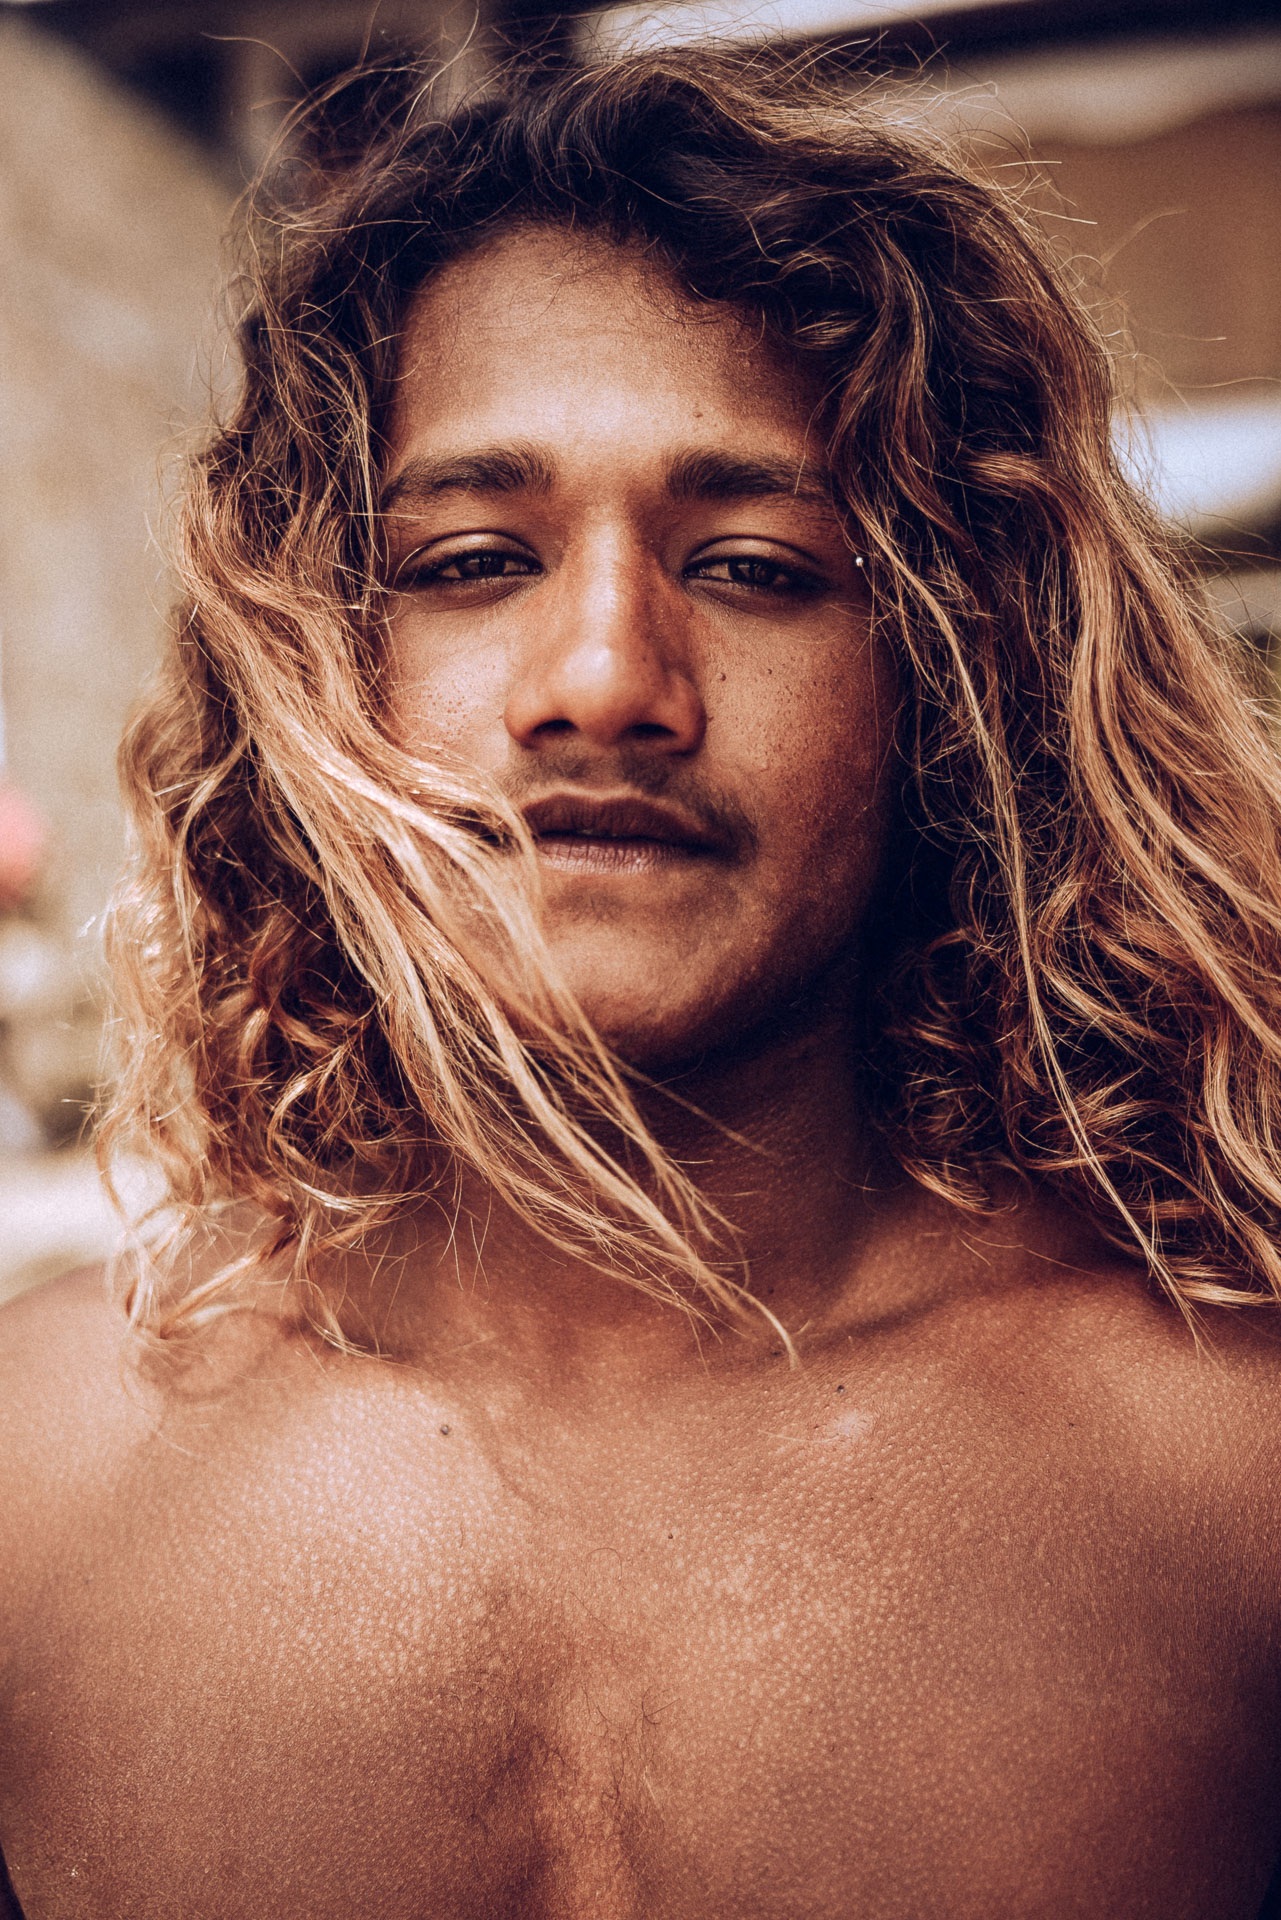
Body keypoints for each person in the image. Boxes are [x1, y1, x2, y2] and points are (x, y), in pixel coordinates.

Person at [3, 48, 1281, 1919]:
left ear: (945, 678)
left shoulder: (1227, 1476)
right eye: (470, 561)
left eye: (754, 566)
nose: (605, 677)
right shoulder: (36, 1475)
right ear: (313, 659)